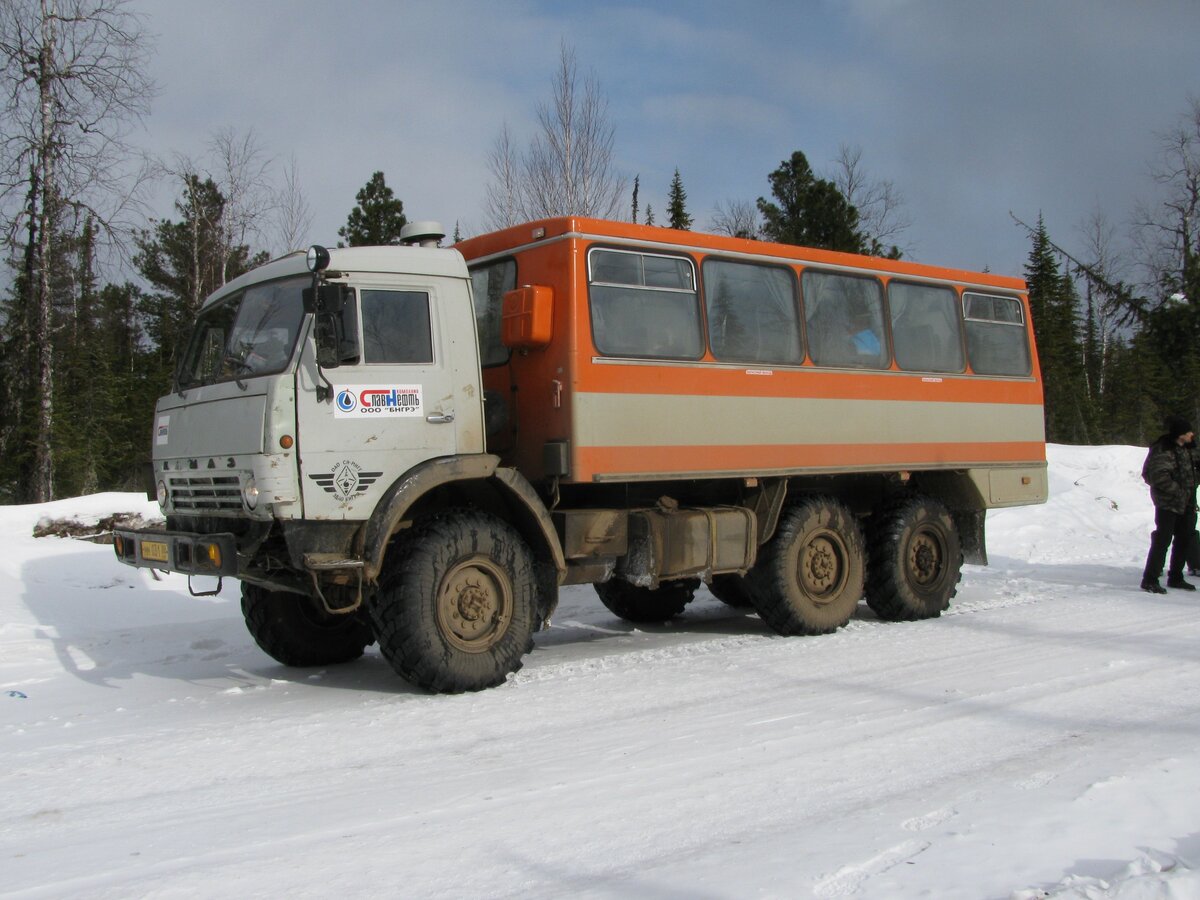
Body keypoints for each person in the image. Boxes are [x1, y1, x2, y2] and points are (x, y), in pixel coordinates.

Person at [1140, 414, 1200, 593]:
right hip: (1168, 503)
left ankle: (1176, 577)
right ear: (1180, 433)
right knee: (1163, 540)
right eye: (1189, 431)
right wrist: (1178, 491)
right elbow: (1157, 476)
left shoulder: (1190, 449)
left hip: (1188, 502)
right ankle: (1150, 579)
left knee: (1185, 539)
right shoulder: (1163, 449)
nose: (1192, 434)